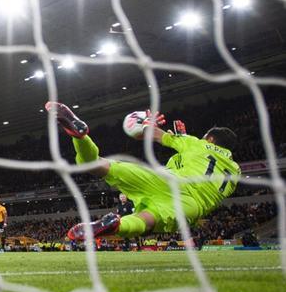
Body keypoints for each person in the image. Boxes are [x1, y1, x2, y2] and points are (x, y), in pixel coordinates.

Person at [44, 102, 240, 240]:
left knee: (94, 163)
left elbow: (153, 134)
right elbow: (203, 168)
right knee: (147, 220)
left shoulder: (195, 144)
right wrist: (183, 138)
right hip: (192, 203)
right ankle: (116, 224)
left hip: (166, 179)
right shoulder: (234, 171)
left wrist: (147, 125)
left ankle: (80, 136)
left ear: (211, 139)